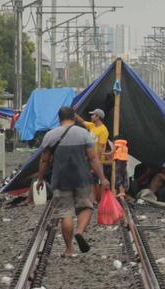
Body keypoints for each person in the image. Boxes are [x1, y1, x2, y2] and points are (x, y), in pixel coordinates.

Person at [36, 106, 107, 257]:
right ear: (74, 118)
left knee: (65, 213)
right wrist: (102, 178)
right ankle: (79, 231)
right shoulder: (84, 134)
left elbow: (44, 160)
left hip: (61, 179)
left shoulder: (50, 135)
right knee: (86, 207)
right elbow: (93, 158)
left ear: (59, 118)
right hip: (82, 178)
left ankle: (69, 250)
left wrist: (40, 179)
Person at [81, 109, 112, 203]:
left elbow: (101, 148)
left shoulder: (103, 130)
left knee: (99, 180)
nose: (91, 116)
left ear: (98, 117)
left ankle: (102, 200)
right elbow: (81, 121)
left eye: (93, 115)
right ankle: (93, 200)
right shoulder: (92, 125)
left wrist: (96, 162)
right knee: (91, 180)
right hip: (90, 158)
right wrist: (74, 113)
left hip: (97, 160)